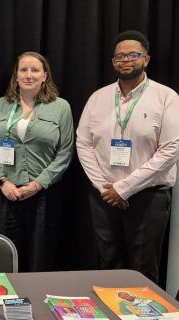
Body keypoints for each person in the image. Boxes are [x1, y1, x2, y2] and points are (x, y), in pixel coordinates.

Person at [76, 30, 179, 283]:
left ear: (146, 59)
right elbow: (83, 143)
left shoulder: (166, 97)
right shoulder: (98, 98)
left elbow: (171, 149)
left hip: (148, 197)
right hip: (104, 197)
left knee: (143, 271)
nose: (126, 60)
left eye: (133, 54)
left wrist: (124, 188)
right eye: (120, 56)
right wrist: (105, 188)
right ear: (113, 62)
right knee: (108, 265)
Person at [0, 51, 74, 272]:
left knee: (40, 259)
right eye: (23, 70)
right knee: (7, 259)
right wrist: (2, 182)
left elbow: (65, 153)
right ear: (16, 76)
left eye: (35, 70)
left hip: (43, 194)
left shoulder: (61, 107)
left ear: (45, 75)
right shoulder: (1, 105)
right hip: (7, 194)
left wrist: (36, 185)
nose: (28, 75)